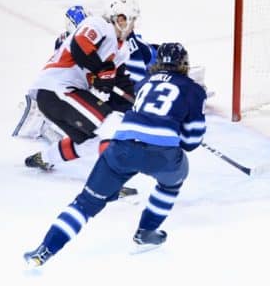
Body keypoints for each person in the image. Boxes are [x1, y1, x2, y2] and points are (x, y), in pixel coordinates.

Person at [23, 42, 207, 265]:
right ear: (184, 64)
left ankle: (45, 250)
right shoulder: (194, 89)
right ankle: (146, 232)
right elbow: (191, 142)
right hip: (162, 156)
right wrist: (179, 129)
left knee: (85, 203)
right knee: (172, 181)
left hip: (122, 147)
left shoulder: (145, 83)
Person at [21, 0, 141, 174]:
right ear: (121, 19)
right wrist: (100, 70)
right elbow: (79, 46)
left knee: (91, 142)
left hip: (67, 94)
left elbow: (119, 82)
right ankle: (108, 182)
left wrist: (135, 108)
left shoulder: (121, 49)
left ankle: (45, 158)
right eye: (132, 20)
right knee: (111, 126)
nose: (133, 26)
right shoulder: (98, 24)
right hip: (57, 89)